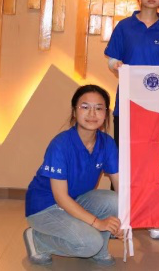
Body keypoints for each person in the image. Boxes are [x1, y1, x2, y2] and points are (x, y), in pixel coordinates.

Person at [103, 0, 159, 240]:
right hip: (127, 106)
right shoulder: (124, 27)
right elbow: (112, 60)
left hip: (156, 110)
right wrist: (116, 65)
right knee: (123, 162)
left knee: (153, 163)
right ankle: (120, 218)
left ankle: (152, 217)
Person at [23, 85, 121, 266]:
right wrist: (97, 223)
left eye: (99, 108)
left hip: (75, 200)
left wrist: (126, 220)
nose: (92, 114)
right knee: (90, 244)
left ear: (105, 114)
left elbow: (119, 184)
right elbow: (60, 198)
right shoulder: (60, 144)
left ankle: (100, 249)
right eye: (85, 107)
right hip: (45, 207)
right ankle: (37, 240)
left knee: (115, 200)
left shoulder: (107, 143)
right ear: (75, 112)